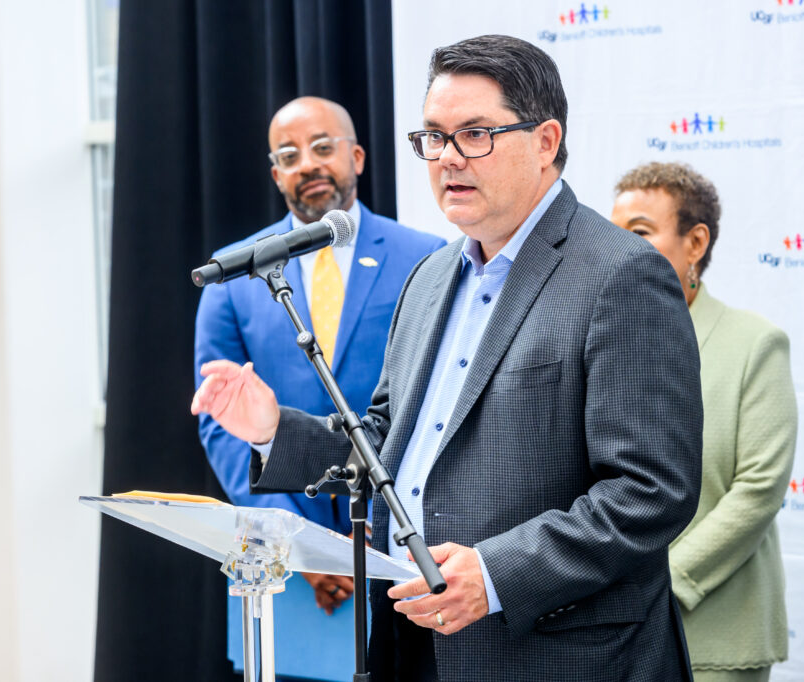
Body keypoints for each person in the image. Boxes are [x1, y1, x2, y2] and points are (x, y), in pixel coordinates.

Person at [193, 34, 703, 682]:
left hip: (555, 655)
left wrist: (494, 575)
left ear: (546, 142)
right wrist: (273, 429)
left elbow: (652, 492)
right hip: (416, 643)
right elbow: (383, 443)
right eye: (434, 138)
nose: (447, 158)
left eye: (475, 135)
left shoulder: (620, 276)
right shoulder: (432, 276)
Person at [194, 96, 444, 617]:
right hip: (281, 564)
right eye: (289, 155)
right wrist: (296, 544)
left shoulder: (427, 257)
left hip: (404, 544)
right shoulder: (232, 277)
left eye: (322, 147)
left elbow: (440, 398)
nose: (307, 162)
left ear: (356, 157)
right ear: (276, 175)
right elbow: (221, 422)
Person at [611, 161, 796, 682]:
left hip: (714, 632)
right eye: (613, 233)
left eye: (640, 233)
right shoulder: (604, 340)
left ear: (695, 243)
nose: (619, 249)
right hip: (606, 631)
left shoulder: (754, 343)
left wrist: (664, 580)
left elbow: (758, 488)